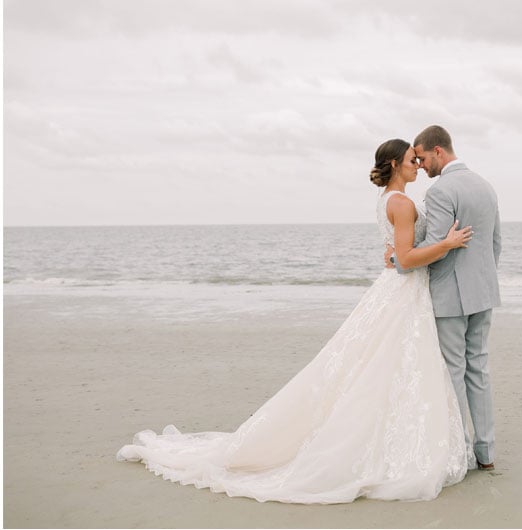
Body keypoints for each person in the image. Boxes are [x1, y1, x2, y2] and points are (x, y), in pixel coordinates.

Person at [116, 138, 475, 504]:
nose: (418, 165)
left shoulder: (387, 200)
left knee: (384, 368)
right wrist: (447, 244)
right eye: (412, 160)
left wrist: (404, 254)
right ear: (397, 163)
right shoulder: (400, 201)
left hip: (401, 293)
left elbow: (397, 255)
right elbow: (406, 258)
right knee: (386, 368)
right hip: (403, 293)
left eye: (419, 159)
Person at [387, 125, 501, 470]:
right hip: (483, 292)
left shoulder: (440, 192)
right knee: (478, 369)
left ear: (439, 151)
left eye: (422, 157)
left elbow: (436, 247)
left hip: (451, 295)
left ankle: (461, 452)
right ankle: (486, 452)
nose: (420, 165)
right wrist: (481, 278)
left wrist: (398, 260)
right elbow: (495, 243)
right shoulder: (486, 186)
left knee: (454, 370)